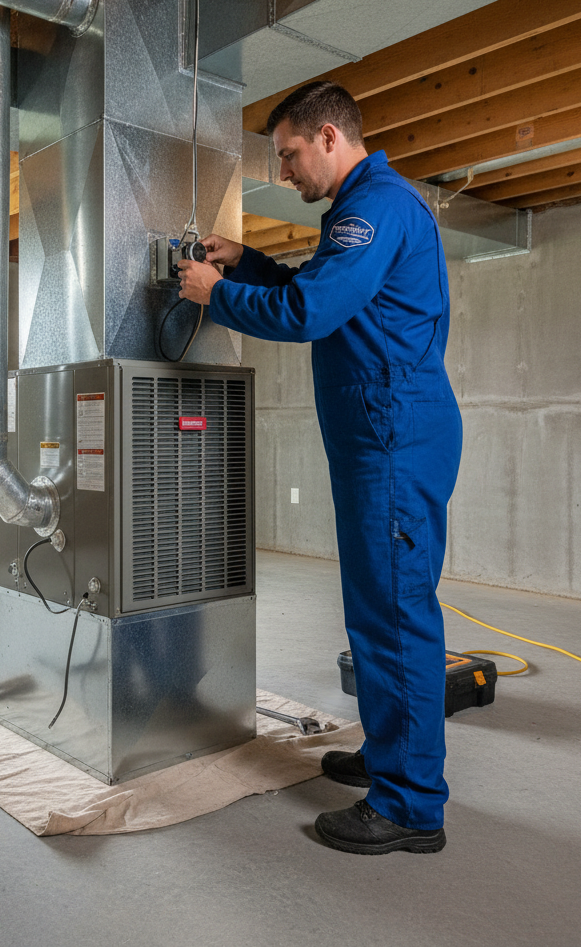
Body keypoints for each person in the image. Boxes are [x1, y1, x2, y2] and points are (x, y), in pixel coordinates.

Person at [178, 80, 463, 855]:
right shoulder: (356, 212)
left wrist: (216, 294)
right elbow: (313, 288)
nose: (287, 171)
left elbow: (308, 315)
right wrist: (247, 262)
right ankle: (388, 757)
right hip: (378, 439)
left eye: (291, 154)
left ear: (331, 137)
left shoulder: (377, 207)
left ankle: (410, 806)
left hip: (395, 441)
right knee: (376, 609)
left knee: (396, 613)